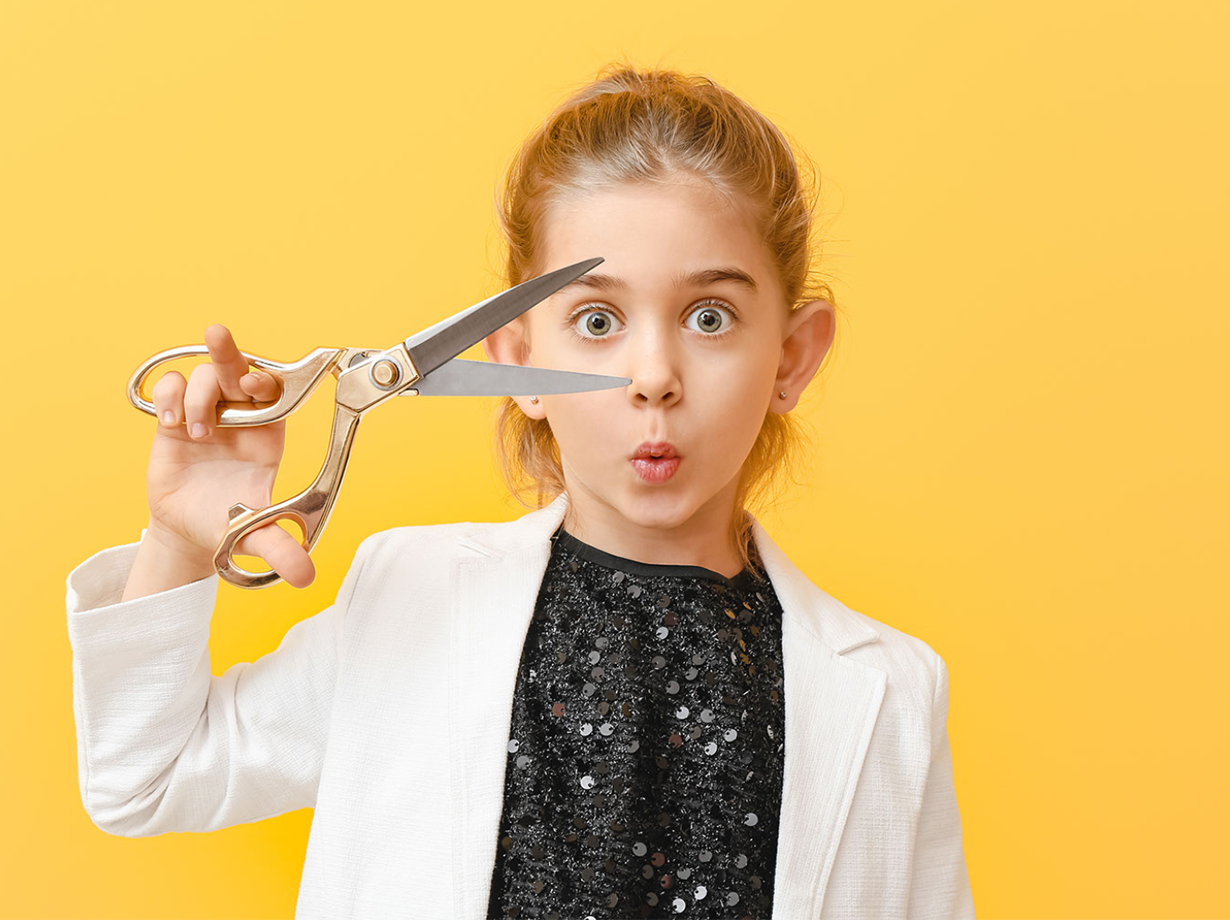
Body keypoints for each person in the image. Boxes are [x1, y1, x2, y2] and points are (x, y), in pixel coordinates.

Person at [66, 65, 976, 919]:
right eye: (596, 320)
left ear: (792, 355)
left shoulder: (892, 692)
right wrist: (180, 543)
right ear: (517, 365)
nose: (652, 376)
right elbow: (143, 780)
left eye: (710, 317)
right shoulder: (408, 600)